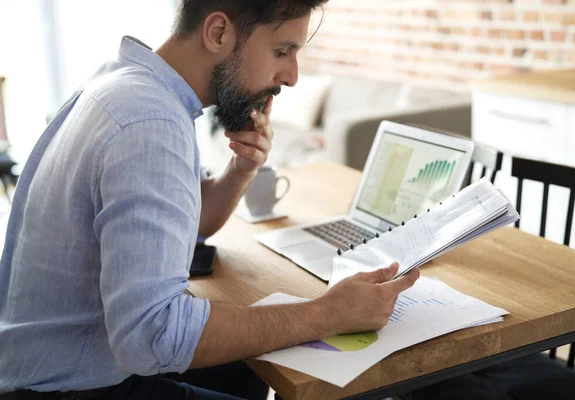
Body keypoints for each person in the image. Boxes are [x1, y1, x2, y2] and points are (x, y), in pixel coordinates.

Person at [0, 1, 420, 399]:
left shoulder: (128, 83)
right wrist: (330, 313)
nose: (292, 75)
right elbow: (152, 336)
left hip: (49, 364)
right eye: (282, 50)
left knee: (245, 363)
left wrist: (242, 169)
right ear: (218, 32)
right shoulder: (150, 122)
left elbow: (193, 223)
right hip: (72, 388)